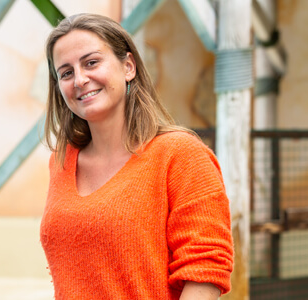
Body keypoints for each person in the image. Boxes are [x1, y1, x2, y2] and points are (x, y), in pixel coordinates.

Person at [39, 13, 234, 300]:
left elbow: (204, 269)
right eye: (66, 73)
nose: (80, 79)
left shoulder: (180, 155)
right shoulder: (62, 161)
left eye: (91, 62)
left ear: (128, 66)